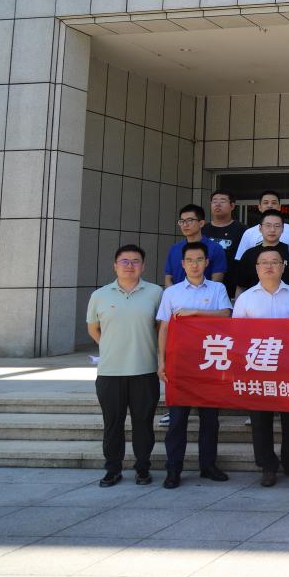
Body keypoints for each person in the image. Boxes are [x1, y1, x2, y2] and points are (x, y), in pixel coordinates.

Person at [156, 241, 231, 489]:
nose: (194, 265)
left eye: (199, 260)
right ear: (182, 264)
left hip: (210, 362)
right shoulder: (172, 292)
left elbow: (226, 315)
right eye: (189, 260)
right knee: (177, 421)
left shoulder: (218, 288)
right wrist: (161, 362)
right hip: (180, 364)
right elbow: (164, 328)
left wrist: (194, 313)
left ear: (207, 262)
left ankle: (208, 465)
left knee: (210, 420)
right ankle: (173, 469)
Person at [87, 244, 162, 488]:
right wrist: (110, 346)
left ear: (144, 266)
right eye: (124, 261)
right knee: (112, 424)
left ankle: (143, 468)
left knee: (143, 423)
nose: (130, 266)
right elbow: (93, 328)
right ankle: (112, 469)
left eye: (135, 261)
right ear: (115, 265)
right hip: (110, 372)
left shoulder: (156, 293)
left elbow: (160, 328)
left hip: (144, 370)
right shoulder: (100, 295)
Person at [232, 246, 289, 487]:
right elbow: (236, 335)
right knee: (260, 419)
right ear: (256, 268)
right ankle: (267, 465)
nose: (269, 266)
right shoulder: (245, 298)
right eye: (264, 262)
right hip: (257, 367)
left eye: (275, 262)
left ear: (283, 267)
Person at [235, 210, 289, 292]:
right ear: (260, 228)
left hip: (288, 299)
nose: (272, 230)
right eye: (268, 225)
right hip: (255, 299)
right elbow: (241, 286)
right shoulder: (249, 254)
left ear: (283, 229)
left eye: (277, 226)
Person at [164, 204, 227, 287]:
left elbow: (217, 279)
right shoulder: (174, 249)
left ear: (201, 223)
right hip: (177, 295)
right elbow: (168, 277)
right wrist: (173, 293)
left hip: (205, 294)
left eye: (189, 220)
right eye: (182, 221)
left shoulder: (215, 248)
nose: (185, 225)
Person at [234, 190, 289, 258]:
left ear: (279, 207)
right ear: (259, 207)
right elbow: (240, 259)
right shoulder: (249, 233)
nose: (270, 206)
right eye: (266, 202)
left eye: (274, 203)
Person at [200, 189, 244, 290]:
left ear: (232, 206)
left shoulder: (242, 230)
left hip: (233, 287)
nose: (217, 204)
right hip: (204, 286)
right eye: (214, 201)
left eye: (222, 201)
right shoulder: (202, 229)